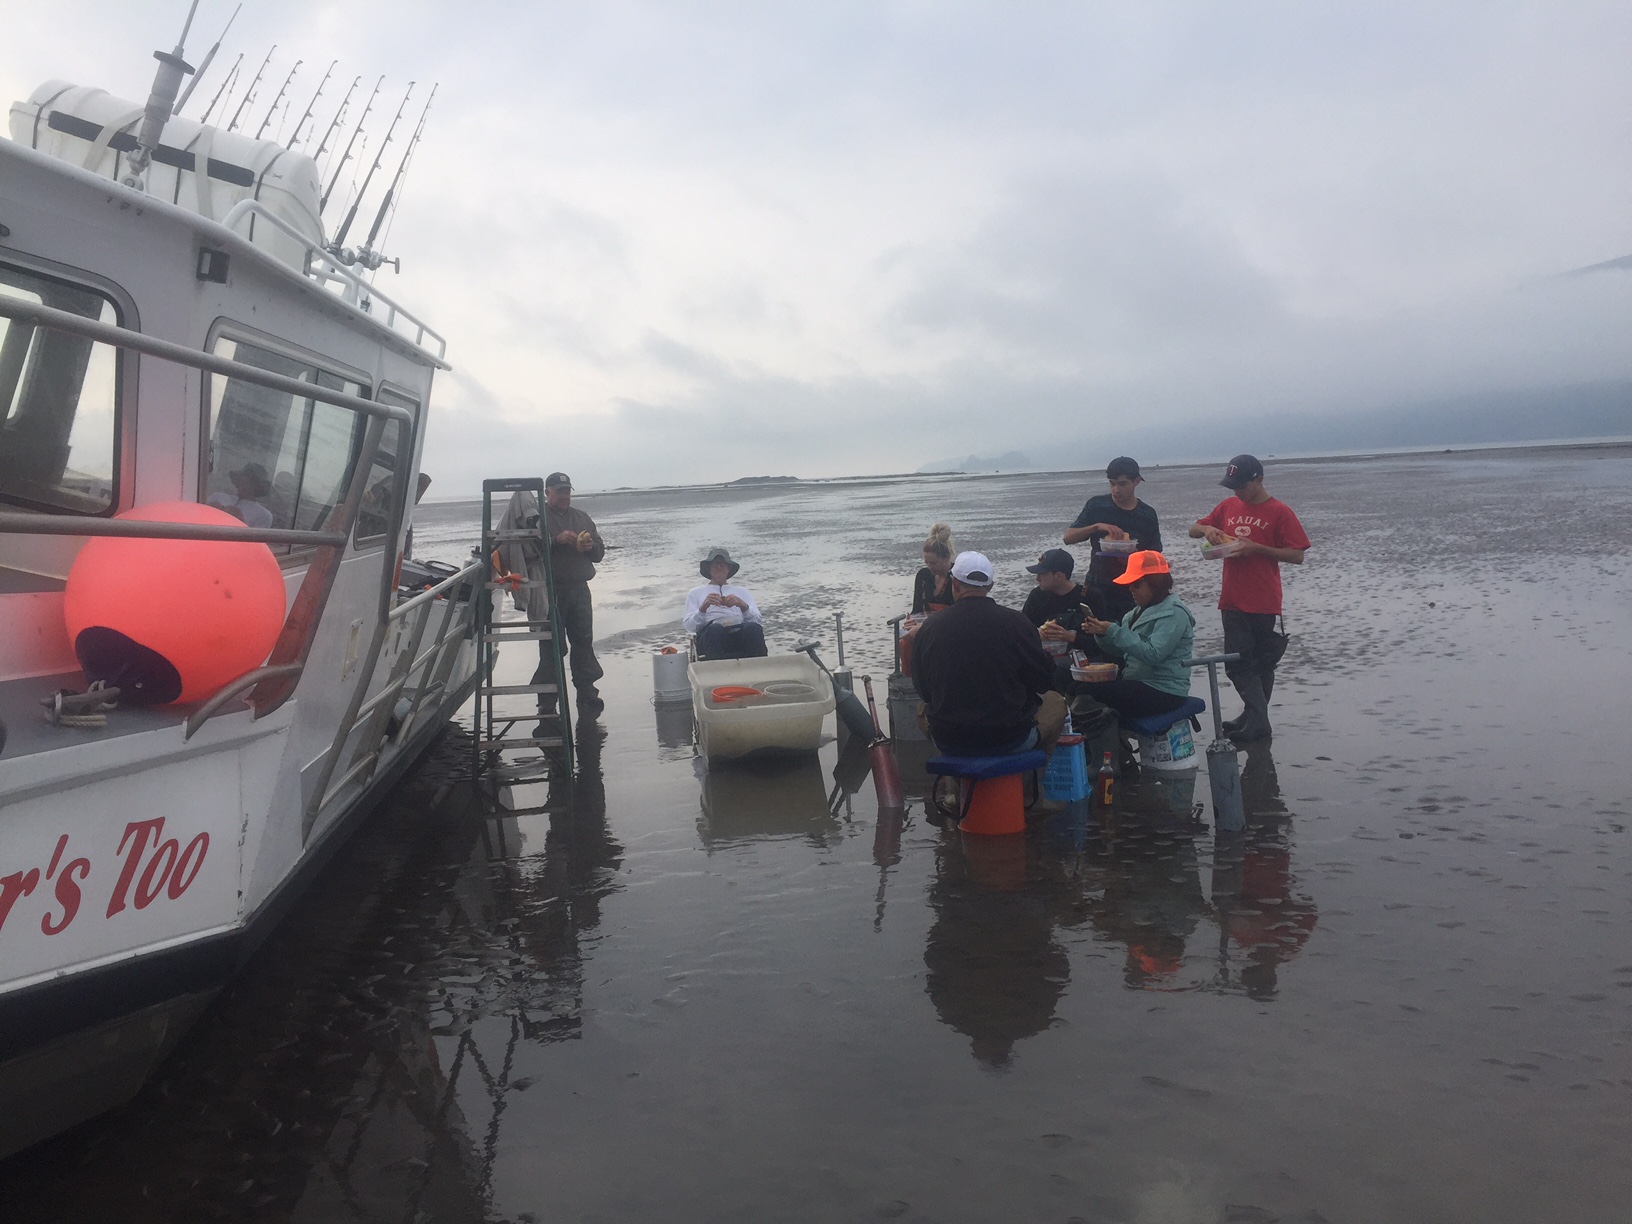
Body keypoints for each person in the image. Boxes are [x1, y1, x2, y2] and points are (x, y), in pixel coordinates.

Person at [1187, 454, 1310, 742]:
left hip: (1264, 599)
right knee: (1239, 663)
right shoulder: (1228, 505)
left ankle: (1258, 721)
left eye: (1242, 486)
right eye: (1233, 486)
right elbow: (1194, 529)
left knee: (1260, 663)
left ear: (1259, 479)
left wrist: (1258, 548)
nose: (1237, 492)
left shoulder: (1280, 512)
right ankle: (1254, 717)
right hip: (1232, 598)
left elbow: (1297, 555)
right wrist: (1208, 529)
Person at [910, 551, 1066, 757]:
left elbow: (923, 690)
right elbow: (1043, 681)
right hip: (1010, 738)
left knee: (923, 708)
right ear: (991, 586)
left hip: (949, 739)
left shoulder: (929, 628)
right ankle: (1032, 780)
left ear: (954, 584)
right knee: (1055, 701)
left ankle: (958, 784)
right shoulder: (1018, 623)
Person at [1075, 550, 1197, 723]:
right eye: (1130, 584)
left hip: (1166, 690)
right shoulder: (1134, 613)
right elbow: (1121, 651)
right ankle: (1101, 742)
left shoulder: (1174, 614)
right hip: (1139, 682)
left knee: (1090, 693)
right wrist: (1102, 634)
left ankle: (1107, 744)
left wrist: (1114, 631)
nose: (1130, 589)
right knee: (1077, 687)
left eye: (1136, 584)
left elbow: (1153, 654)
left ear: (1155, 583)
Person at [1062, 456, 1163, 622]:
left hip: (1132, 591)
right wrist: (1096, 526)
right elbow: (1068, 538)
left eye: (1122, 484)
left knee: (1127, 640)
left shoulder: (1147, 514)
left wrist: (1133, 558)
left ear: (1136, 481)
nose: (1116, 489)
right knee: (1093, 639)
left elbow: (1156, 556)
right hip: (1096, 587)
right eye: (1112, 483)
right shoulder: (1096, 505)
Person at [543, 472, 607, 715]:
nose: (564, 495)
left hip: (580, 589)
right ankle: (547, 699)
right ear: (547, 492)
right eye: (559, 491)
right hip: (550, 591)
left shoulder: (582, 518)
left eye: (567, 491)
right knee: (551, 646)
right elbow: (529, 551)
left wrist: (592, 547)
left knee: (583, 642)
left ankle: (587, 691)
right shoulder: (538, 518)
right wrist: (556, 540)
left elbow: (599, 554)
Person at [1019, 548, 1109, 665]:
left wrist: (1071, 637)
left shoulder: (1090, 596)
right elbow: (1022, 630)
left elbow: (1103, 643)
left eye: (1042, 574)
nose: (1037, 578)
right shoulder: (1037, 595)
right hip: (1045, 660)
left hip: (1084, 663)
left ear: (1058, 576)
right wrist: (1037, 634)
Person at [684, 547, 768, 660]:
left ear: (729, 568)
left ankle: (761, 669)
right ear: (709, 569)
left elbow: (757, 620)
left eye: (723, 564)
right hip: (710, 635)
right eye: (715, 564)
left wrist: (743, 606)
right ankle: (716, 673)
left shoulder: (742, 591)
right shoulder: (695, 593)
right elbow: (690, 627)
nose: (719, 567)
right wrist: (703, 608)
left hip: (738, 632)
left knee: (753, 628)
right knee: (715, 630)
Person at [208, 462, 274, 529]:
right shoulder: (217, 497)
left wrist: (240, 521)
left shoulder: (264, 515)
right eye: (243, 477)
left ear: (258, 486)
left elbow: (254, 538)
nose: (245, 481)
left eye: (251, 480)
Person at [912, 523, 956, 614]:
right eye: (926, 562)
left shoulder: (957, 576)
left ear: (947, 557)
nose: (929, 566)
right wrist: (912, 620)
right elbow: (917, 609)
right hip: (926, 625)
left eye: (933, 563)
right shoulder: (923, 575)